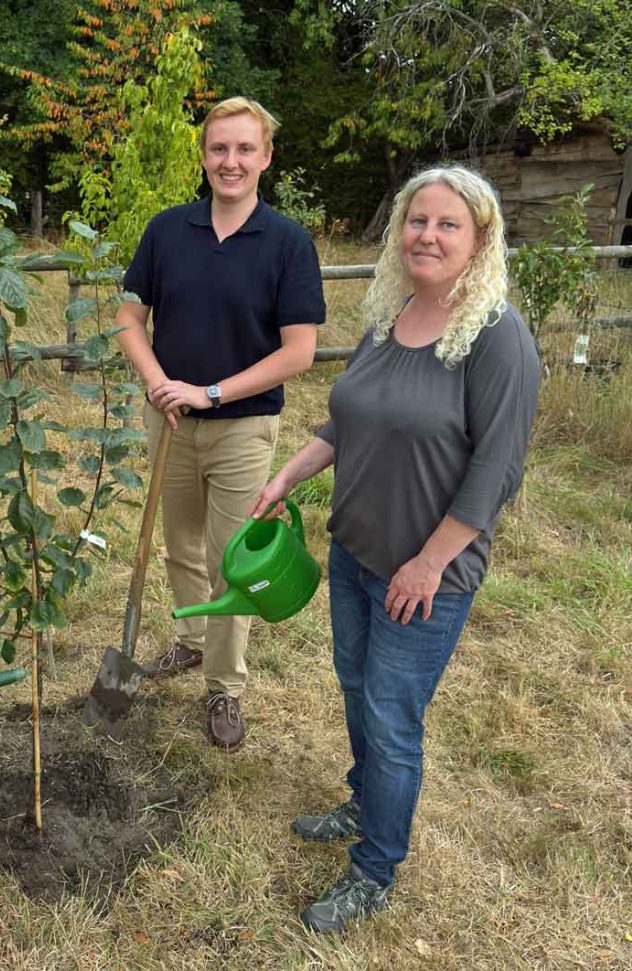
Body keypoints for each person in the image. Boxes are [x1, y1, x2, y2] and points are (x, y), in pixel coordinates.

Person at [250, 165, 540, 933]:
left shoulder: (498, 336)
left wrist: (431, 559)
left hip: (426, 573)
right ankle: (363, 797)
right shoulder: (391, 315)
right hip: (356, 551)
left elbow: (495, 471)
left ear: (480, 239)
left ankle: (376, 867)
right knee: (356, 685)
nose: (429, 236)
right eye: (418, 221)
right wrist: (289, 473)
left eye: (449, 225)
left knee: (391, 713)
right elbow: (347, 421)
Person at [116, 97, 326, 751]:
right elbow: (129, 318)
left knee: (232, 561)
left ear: (264, 157)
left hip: (242, 429)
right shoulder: (166, 231)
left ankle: (225, 687)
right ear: (203, 156)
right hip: (170, 422)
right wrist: (158, 383)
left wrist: (209, 392)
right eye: (218, 149)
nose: (229, 162)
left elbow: (299, 352)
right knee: (180, 544)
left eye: (243, 149)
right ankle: (190, 641)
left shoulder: (287, 242)